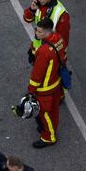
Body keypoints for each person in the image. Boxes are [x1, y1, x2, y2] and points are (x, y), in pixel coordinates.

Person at [28, 18, 65, 149]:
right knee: (54, 111)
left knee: (45, 114)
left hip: (44, 89)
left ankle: (49, 137)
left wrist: (31, 91)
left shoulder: (43, 51)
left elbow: (37, 75)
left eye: (39, 31)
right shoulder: (59, 39)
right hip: (56, 83)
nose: (36, 33)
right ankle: (51, 130)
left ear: (46, 32)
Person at [23, 0, 70, 66]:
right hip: (38, 49)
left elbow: (63, 40)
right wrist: (31, 9)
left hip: (49, 54)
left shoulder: (62, 15)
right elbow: (27, 19)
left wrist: (60, 59)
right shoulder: (39, 5)